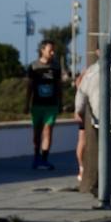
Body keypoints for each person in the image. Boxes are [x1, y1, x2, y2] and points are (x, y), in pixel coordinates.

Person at [75, 47, 111, 196]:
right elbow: (82, 91)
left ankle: (102, 185)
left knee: (107, 151)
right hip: (98, 119)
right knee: (106, 152)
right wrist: (78, 109)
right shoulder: (92, 72)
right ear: (97, 51)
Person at [25, 39, 64, 170]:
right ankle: (36, 156)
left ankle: (44, 158)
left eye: (53, 50)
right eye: (50, 50)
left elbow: (59, 86)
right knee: (37, 133)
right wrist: (26, 103)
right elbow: (29, 86)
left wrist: (61, 102)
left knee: (48, 130)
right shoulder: (34, 67)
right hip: (37, 104)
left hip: (51, 105)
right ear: (42, 50)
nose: (52, 53)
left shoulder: (56, 67)